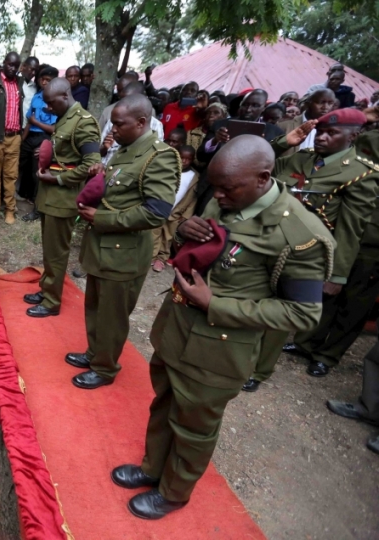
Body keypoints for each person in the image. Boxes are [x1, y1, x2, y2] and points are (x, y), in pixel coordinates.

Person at [112, 135, 332, 520]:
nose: (218, 195)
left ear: (263, 177)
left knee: (194, 425)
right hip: (178, 330)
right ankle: (152, 469)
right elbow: (209, 247)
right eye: (216, 186)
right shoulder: (226, 196)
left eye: (227, 188)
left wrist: (216, 304)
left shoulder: (298, 234)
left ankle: (174, 491)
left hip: (218, 350)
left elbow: (302, 314)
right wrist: (187, 232)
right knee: (165, 404)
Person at [243, 109, 378, 388]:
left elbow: (351, 228)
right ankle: (241, 356)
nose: (323, 138)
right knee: (253, 300)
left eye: (332, 133)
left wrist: (337, 275)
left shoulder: (361, 173)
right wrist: (283, 143)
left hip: (308, 253)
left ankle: (257, 370)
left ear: (353, 136)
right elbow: (256, 164)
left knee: (281, 312)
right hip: (271, 241)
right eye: (321, 132)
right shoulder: (303, 159)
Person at [67, 94, 180, 389]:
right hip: (103, 249)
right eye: (113, 123)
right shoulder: (124, 150)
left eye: (119, 124)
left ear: (142, 122)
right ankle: (95, 353)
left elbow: (157, 212)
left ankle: (104, 368)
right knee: (95, 307)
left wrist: (102, 218)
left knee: (112, 316)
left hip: (124, 253)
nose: (112, 129)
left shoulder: (159, 156)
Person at [24, 77, 100, 317]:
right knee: (49, 249)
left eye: (51, 102)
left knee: (57, 253)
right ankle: (47, 289)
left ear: (65, 96)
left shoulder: (84, 123)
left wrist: (57, 178)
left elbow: (92, 164)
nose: (48, 108)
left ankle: (51, 302)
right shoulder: (65, 117)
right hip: (50, 196)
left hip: (63, 197)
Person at [196, 89, 285, 166]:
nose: (248, 109)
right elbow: (200, 156)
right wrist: (215, 140)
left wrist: (262, 147)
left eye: (255, 105)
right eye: (245, 104)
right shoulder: (220, 125)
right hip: (214, 179)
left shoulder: (275, 133)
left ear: (264, 108)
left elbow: (274, 163)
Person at [0, 52, 23, 224]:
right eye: (10, 64)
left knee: (11, 175)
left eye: (16, 65)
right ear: (4, 63)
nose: (13, 68)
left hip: (14, 137)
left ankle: (9, 210)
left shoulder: (20, 83)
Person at [19, 65, 58, 221]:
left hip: (44, 138)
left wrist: (36, 122)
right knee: (20, 165)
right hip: (30, 137)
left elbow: (53, 129)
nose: (45, 82)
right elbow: (29, 121)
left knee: (38, 174)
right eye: (43, 79)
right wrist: (22, 141)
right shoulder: (37, 97)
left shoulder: (55, 101)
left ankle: (37, 209)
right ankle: (18, 196)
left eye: (49, 80)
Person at [151, 145, 198, 272]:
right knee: (153, 233)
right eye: (181, 157)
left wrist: (187, 215)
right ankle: (151, 256)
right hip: (160, 207)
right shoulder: (168, 170)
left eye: (188, 159)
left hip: (176, 212)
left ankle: (161, 258)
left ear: (193, 159)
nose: (184, 161)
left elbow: (193, 198)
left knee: (168, 236)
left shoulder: (195, 177)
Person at [275, 88, 336, 158]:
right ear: (308, 103)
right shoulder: (283, 125)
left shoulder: (334, 131)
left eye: (330, 103)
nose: (325, 107)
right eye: (321, 102)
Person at [186, 102, 227, 171]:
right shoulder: (192, 133)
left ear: (224, 116)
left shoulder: (225, 135)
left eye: (216, 113)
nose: (211, 115)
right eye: (208, 113)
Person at [19, 56, 39, 127]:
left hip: (27, 127)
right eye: (32, 69)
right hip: (14, 127)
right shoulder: (15, 81)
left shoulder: (34, 87)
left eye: (36, 71)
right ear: (24, 66)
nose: (33, 73)